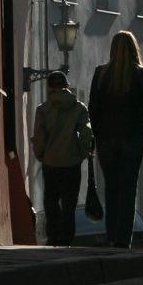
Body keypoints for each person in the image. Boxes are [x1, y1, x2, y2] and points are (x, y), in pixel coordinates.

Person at [87, 30, 143, 247]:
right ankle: (122, 239)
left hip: (106, 139)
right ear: (133, 48)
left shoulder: (101, 74)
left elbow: (93, 109)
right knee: (128, 188)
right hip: (132, 137)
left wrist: (97, 135)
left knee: (111, 188)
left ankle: (111, 235)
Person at [29, 71, 93, 245]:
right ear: (66, 86)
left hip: (50, 162)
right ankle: (67, 238)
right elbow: (87, 134)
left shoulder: (43, 110)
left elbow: (39, 137)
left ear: (49, 87)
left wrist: (41, 155)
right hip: (72, 163)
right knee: (69, 204)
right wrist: (81, 153)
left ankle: (53, 237)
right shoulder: (79, 108)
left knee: (51, 202)